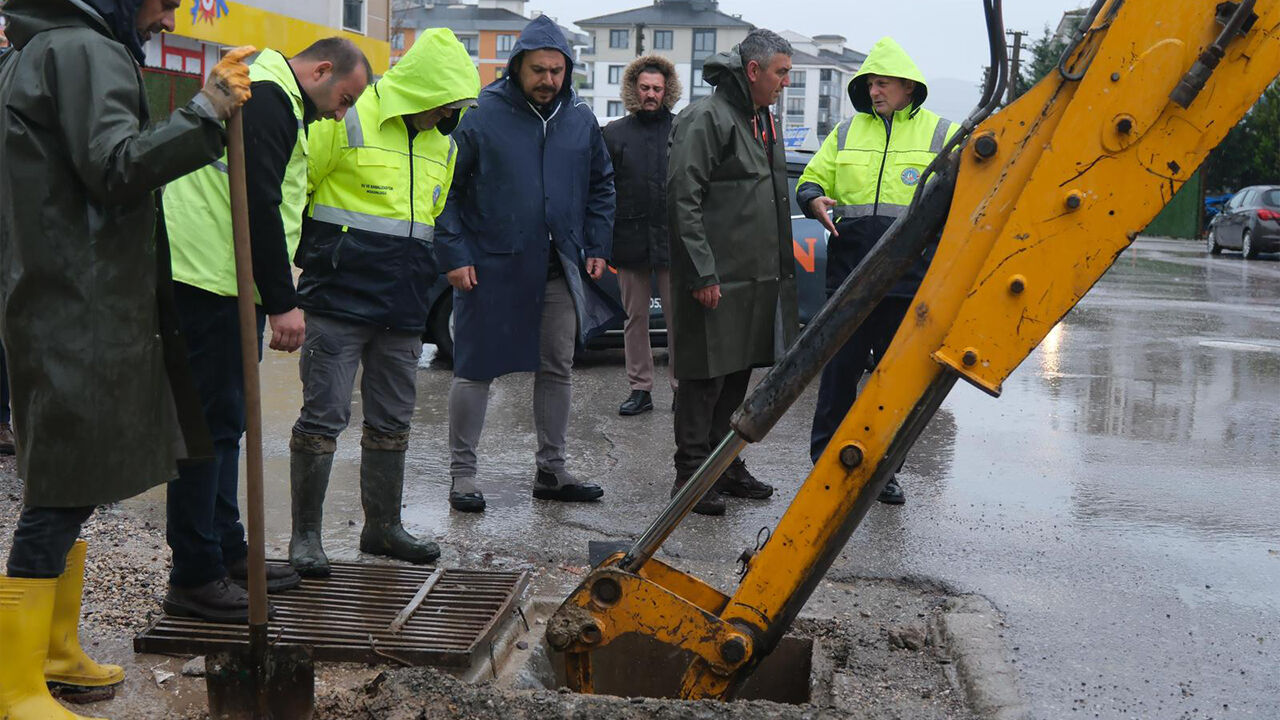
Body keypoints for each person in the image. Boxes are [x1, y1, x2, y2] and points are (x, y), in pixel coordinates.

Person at [0, 0, 251, 714]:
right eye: (166, 3)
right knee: (58, 494)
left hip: (56, 289)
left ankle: (53, 653)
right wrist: (206, 110)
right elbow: (116, 167)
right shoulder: (84, 51)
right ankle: (14, 687)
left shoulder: (36, 50)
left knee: (71, 480)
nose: (169, 20)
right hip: (80, 298)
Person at [161, 38, 372, 620]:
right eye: (344, 98)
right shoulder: (270, 98)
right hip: (207, 279)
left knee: (224, 426)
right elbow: (256, 202)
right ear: (322, 70)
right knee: (206, 431)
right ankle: (194, 574)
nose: (341, 113)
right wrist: (283, 302)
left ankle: (227, 552)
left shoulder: (275, 94)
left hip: (224, 278)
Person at [287, 29, 481, 574]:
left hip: (402, 306)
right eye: (444, 102)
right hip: (337, 299)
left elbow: (430, 220)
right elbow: (296, 190)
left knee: (393, 419)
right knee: (323, 417)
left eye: (457, 105)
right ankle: (306, 537)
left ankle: (383, 528)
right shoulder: (349, 114)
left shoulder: (444, 143)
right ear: (421, 90)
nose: (449, 113)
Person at [435, 15, 618, 513]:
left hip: (558, 265)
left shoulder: (578, 117)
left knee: (558, 366)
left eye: (557, 71)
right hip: (489, 267)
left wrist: (597, 244)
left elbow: (602, 184)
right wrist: (454, 254)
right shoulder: (479, 115)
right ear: (517, 66)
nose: (548, 80)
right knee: (475, 368)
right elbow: (444, 191)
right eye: (539, 70)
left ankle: (552, 470)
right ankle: (463, 475)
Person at [796, 37, 956, 505]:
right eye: (869, 84)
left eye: (882, 83)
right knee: (838, 375)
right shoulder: (846, 132)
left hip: (907, 283)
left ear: (908, 87)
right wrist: (812, 198)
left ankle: (884, 471)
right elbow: (811, 178)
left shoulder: (942, 134)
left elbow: (966, 195)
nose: (874, 91)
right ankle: (825, 462)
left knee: (892, 384)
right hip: (850, 278)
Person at [667, 29, 798, 516]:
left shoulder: (762, 117)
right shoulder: (706, 117)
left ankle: (722, 465)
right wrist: (702, 273)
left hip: (756, 278)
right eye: (781, 72)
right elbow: (683, 199)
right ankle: (690, 476)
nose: (786, 82)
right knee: (704, 376)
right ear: (753, 70)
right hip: (716, 278)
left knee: (739, 371)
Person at [603, 55, 682, 417]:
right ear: (634, 90)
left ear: (667, 91)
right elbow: (602, 189)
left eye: (657, 89)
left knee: (678, 319)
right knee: (634, 318)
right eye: (645, 88)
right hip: (629, 238)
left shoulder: (682, 130)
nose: (651, 94)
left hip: (673, 239)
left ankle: (682, 387)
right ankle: (640, 389)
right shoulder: (614, 133)